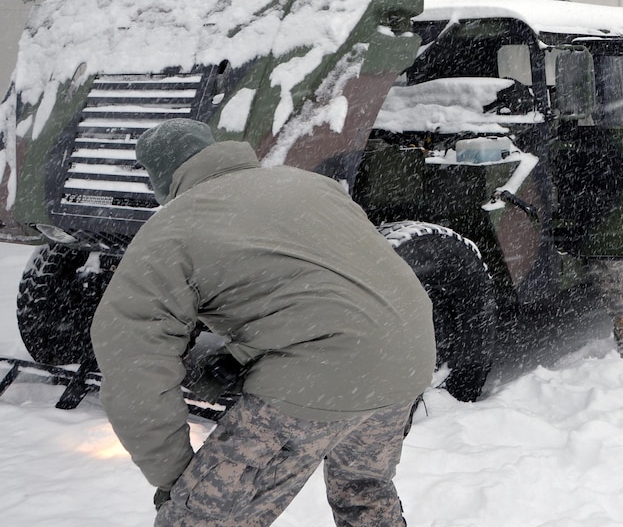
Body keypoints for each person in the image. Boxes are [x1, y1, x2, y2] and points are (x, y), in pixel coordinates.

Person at [90, 119, 436, 527]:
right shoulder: (309, 185)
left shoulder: (171, 229)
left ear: (158, 177)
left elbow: (133, 364)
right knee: (363, 490)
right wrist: (242, 352)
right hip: (409, 358)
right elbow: (325, 289)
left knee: (197, 521)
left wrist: (178, 481)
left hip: (317, 376)